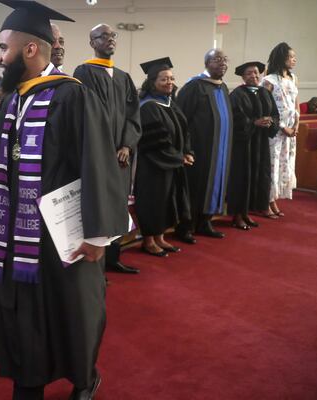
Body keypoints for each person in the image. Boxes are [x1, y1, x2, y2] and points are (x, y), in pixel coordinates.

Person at [0, 1, 126, 398]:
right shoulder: (13, 101)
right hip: (17, 234)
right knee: (22, 312)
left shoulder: (74, 97)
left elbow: (98, 162)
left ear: (29, 50)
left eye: (3, 47)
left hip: (63, 235)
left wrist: (98, 234)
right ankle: (29, 381)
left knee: (73, 310)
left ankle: (83, 378)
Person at [73, 23, 141, 274]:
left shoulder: (124, 77)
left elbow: (134, 116)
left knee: (118, 204)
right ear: (92, 42)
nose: (110, 40)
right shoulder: (83, 72)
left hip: (121, 156)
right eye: (103, 36)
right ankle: (96, 264)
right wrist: (103, 149)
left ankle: (114, 258)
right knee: (100, 204)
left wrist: (126, 145)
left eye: (113, 36)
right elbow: (85, 116)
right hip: (98, 156)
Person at [135, 57, 193, 256]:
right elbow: (155, 141)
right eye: (164, 79)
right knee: (153, 201)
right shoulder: (148, 106)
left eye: (171, 78)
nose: (169, 82)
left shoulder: (170, 103)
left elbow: (184, 130)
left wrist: (186, 151)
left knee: (166, 201)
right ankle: (148, 241)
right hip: (153, 165)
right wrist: (178, 158)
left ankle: (160, 237)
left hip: (171, 163)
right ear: (153, 83)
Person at [176, 49, 233, 241]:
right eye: (217, 59)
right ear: (207, 63)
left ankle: (205, 221)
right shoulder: (194, 86)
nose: (222, 63)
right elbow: (181, 119)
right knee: (196, 186)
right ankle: (185, 227)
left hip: (221, 150)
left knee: (215, 184)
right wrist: (186, 147)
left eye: (225, 60)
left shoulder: (223, 87)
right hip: (200, 149)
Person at [228, 62, 280, 227]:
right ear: (243, 77)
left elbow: (274, 114)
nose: (254, 76)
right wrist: (254, 123)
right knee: (242, 178)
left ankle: (247, 212)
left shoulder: (265, 92)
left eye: (256, 73)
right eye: (249, 73)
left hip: (260, 143)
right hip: (244, 144)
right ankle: (237, 215)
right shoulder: (237, 94)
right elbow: (235, 119)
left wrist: (270, 122)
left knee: (258, 176)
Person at [261, 42, 299, 217]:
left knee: (284, 165)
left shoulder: (293, 78)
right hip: (275, 131)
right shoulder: (268, 81)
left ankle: (274, 199)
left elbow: (296, 104)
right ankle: (266, 201)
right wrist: (283, 127)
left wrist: (296, 125)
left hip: (291, 131)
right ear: (282, 58)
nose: (294, 60)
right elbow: (265, 107)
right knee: (272, 166)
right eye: (291, 57)